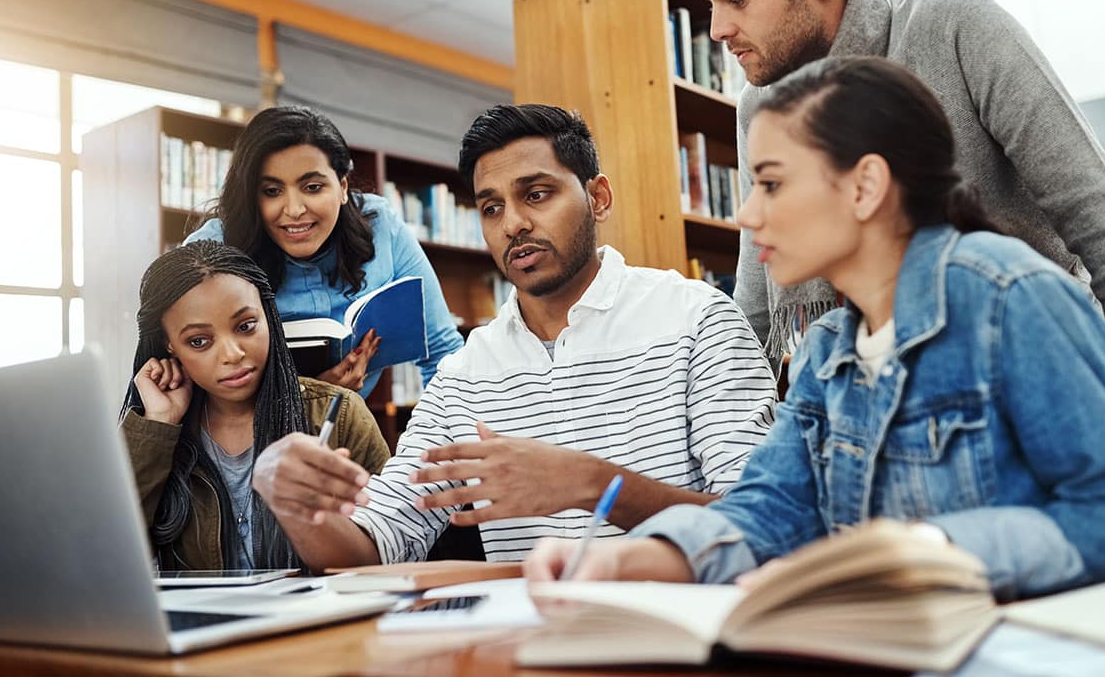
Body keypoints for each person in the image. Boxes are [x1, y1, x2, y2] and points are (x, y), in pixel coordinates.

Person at [524, 57, 1105, 600]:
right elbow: (768, 510)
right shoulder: (826, 352)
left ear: (864, 186)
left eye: (770, 183)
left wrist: (928, 551)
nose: (746, 214)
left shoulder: (1013, 298)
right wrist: (621, 561)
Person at [685, 0, 1105, 425]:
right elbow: (759, 305)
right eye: (712, 4)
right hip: (873, 416)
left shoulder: (951, 23)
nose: (718, 29)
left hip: (1036, 380)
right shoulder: (758, 103)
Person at [248, 103, 778, 571]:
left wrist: (593, 484)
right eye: (491, 207)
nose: (513, 224)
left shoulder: (697, 320)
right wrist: (291, 501)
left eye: (537, 194)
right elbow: (373, 544)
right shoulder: (466, 375)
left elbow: (767, 526)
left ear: (598, 198)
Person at [120, 240, 390, 570]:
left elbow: (389, 546)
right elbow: (108, 555)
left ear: (268, 316)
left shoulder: (340, 413)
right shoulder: (157, 429)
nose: (232, 354)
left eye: (246, 326)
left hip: (322, 618)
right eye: (199, 341)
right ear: (169, 345)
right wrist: (159, 425)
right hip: (205, 620)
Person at [185, 105, 464, 397]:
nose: (294, 210)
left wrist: (439, 437)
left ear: (342, 186)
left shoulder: (381, 224)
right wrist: (312, 396)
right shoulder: (212, 250)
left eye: (313, 187)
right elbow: (185, 379)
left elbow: (444, 352)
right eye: (271, 191)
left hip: (344, 432)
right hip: (244, 438)